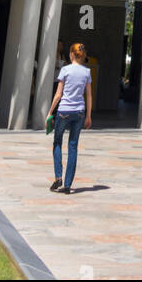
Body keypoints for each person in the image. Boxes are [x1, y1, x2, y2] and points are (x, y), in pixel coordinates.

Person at [46, 41, 92, 193]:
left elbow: (58, 94)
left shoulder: (65, 70)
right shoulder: (86, 72)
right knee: (73, 145)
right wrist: (89, 116)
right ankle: (67, 184)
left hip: (64, 110)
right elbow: (89, 96)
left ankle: (58, 176)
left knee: (57, 142)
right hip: (79, 111)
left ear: (72, 54)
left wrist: (50, 112)